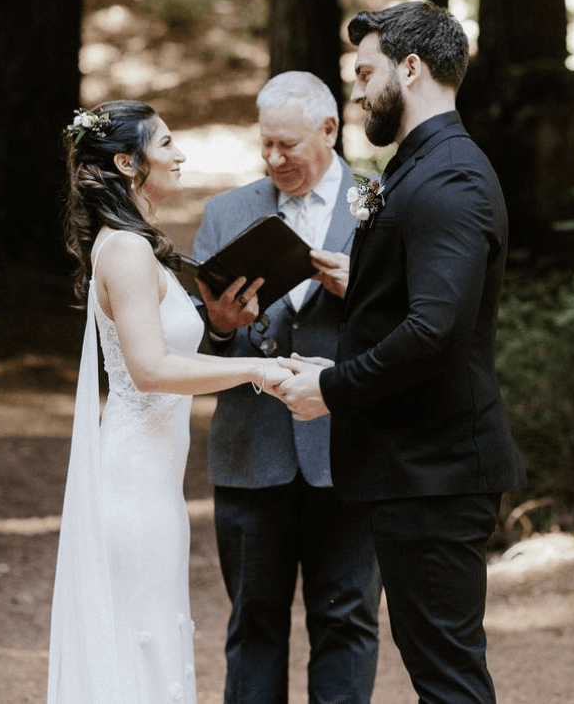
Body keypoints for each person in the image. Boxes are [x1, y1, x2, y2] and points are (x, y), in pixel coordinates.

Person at [276, 2, 528, 704]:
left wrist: (332, 389)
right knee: (437, 672)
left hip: (438, 472)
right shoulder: (419, 166)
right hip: (418, 469)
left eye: (366, 72)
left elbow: (436, 331)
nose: (357, 90)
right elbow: (420, 306)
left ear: (410, 68)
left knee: (448, 681)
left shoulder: (449, 177)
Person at [47, 99, 291, 704]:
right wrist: (257, 368)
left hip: (155, 483)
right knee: (139, 646)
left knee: (151, 640)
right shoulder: (126, 250)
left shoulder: (136, 242)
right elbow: (151, 369)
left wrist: (224, 325)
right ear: (128, 163)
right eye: (166, 145)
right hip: (133, 488)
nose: (181, 155)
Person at [192, 71, 382, 704]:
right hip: (251, 452)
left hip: (350, 452)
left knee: (348, 623)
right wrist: (220, 328)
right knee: (253, 627)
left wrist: (364, 295)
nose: (275, 159)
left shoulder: (381, 202)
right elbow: (194, 351)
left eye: (289, 146)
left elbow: (422, 326)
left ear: (329, 130)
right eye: (265, 145)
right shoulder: (226, 213)